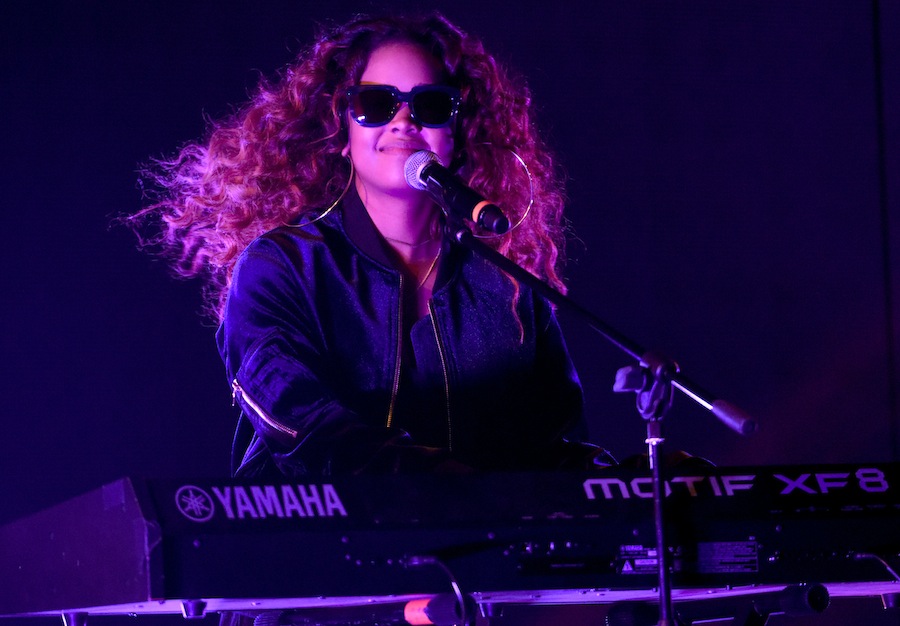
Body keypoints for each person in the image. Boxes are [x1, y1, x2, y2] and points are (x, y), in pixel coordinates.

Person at [132, 12, 611, 478]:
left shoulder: (507, 285)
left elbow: (557, 454)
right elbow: (301, 422)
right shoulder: (281, 267)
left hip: (485, 532)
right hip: (321, 530)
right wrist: (443, 483)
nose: (404, 121)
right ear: (343, 132)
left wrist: (642, 480)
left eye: (430, 105)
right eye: (376, 104)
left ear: (457, 136)